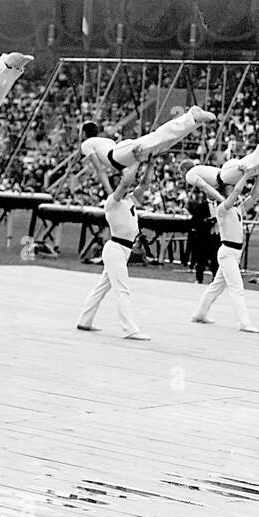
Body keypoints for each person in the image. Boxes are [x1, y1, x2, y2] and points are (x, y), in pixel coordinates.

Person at [55, 105, 216, 194]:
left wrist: (111, 193)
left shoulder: (87, 143)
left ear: (83, 134)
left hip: (118, 156)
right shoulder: (102, 140)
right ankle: (195, 121)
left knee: (157, 138)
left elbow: (100, 171)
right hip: (122, 154)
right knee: (162, 144)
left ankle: (191, 116)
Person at [76, 161, 152, 341]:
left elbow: (145, 183)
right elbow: (126, 182)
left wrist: (151, 162)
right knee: (122, 290)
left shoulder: (130, 200)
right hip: (116, 248)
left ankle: (85, 320)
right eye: (119, 182)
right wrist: (138, 161)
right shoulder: (112, 201)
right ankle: (130, 329)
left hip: (122, 250)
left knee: (102, 287)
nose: (124, 184)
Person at [191, 171, 259, 332]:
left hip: (234, 253)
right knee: (237, 287)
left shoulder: (238, 208)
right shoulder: (222, 208)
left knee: (216, 286)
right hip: (228, 251)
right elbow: (236, 192)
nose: (235, 189)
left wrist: (258, 175)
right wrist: (245, 175)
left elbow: (255, 195)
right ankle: (244, 322)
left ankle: (200, 314)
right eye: (230, 188)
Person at [185, 188, 218, 284]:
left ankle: (215, 279)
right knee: (201, 259)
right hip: (204, 237)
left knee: (216, 259)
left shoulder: (221, 205)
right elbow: (195, 221)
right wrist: (206, 221)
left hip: (217, 235)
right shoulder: (201, 206)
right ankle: (199, 278)